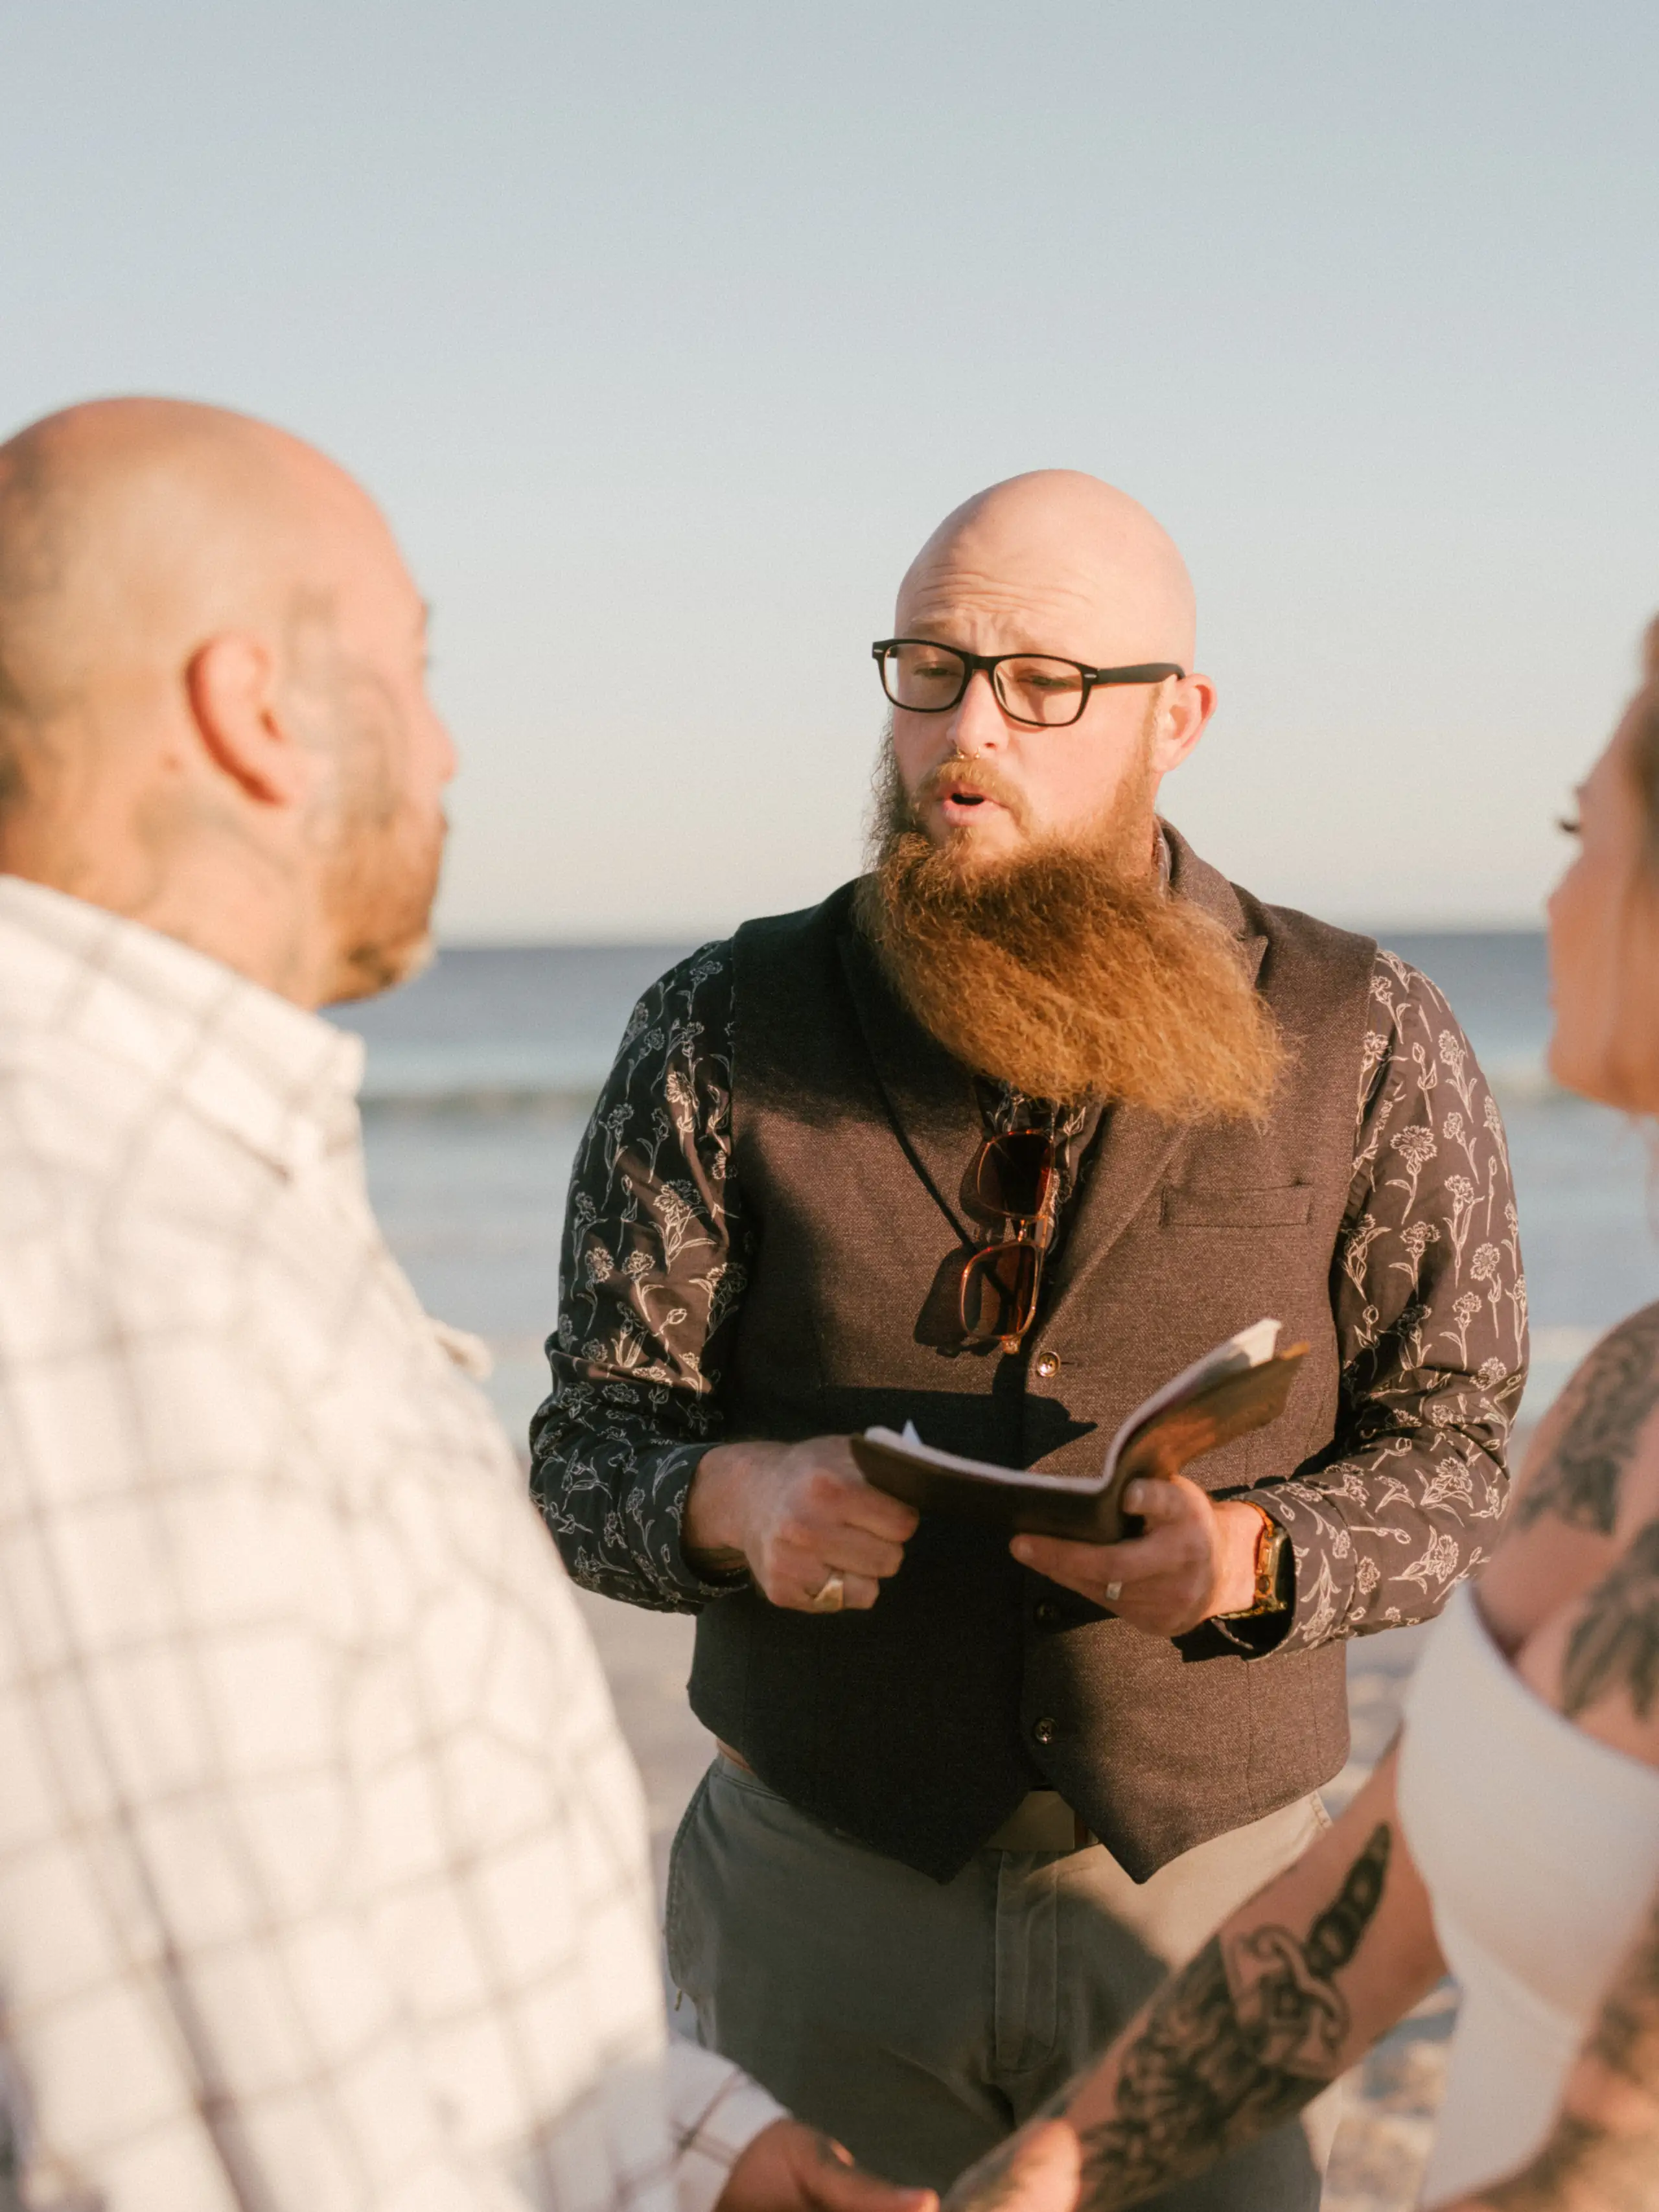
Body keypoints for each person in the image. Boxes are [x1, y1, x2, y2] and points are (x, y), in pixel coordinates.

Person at [532, 470, 1527, 2204]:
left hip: (1209, 1900)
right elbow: (583, 1450)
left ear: (1180, 717)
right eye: (929, 666)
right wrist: (738, 1499)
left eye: (1041, 680)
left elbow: (1454, 1452)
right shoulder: (713, 1018)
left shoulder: (1369, 1028)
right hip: (812, 1894)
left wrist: (1259, 1553)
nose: (964, 725)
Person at [0, 395, 941, 2212]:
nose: (446, 749)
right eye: (415, 667)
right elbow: (226, 2140)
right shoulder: (95, 1277)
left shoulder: (186, 1183)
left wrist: (693, 2140)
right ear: (255, 711)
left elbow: (327, 1937)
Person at [944, 614, 1659, 2212]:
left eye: (1579, 840)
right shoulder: (1624, 1397)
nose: (1547, 900)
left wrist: (1261, 1555)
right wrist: (1049, 2171)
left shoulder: (1368, 1019)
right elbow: (1376, 1896)